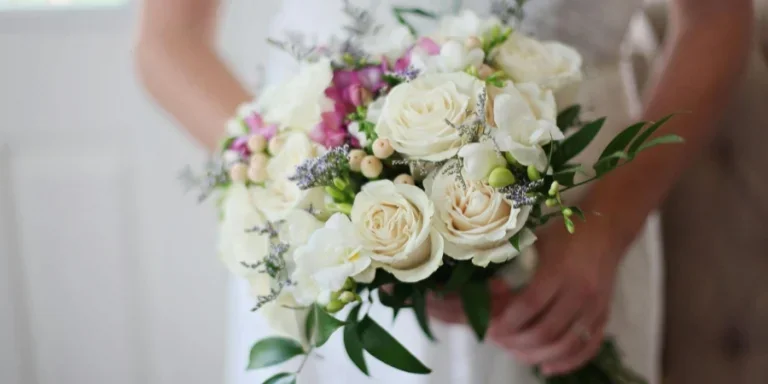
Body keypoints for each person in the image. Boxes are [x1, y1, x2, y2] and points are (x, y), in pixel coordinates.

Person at [134, 0, 754, 383]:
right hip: (326, 222)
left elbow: (717, 16)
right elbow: (168, 41)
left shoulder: (597, 230)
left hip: (581, 212)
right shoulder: (320, 205)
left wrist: (606, 229)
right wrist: (316, 198)